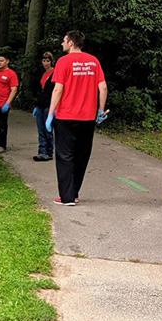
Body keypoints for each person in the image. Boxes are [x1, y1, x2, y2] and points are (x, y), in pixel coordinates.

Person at [45, 30, 108, 206]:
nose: (61, 43)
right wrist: (100, 111)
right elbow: (102, 87)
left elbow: (58, 89)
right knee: (82, 155)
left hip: (66, 116)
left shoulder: (63, 61)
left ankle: (67, 197)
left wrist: (50, 114)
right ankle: (74, 193)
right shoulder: (94, 61)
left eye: (64, 40)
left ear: (71, 42)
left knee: (65, 155)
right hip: (88, 117)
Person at [32, 52, 56, 161]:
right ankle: (42, 151)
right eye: (44, 61)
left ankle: (49, 151)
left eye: (47, 61)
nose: (45, 63)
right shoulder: (41, 73)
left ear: (51, 61)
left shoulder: (55, 73)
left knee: (48, 129)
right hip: (40, 104)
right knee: (40, 129)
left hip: (49, 105)